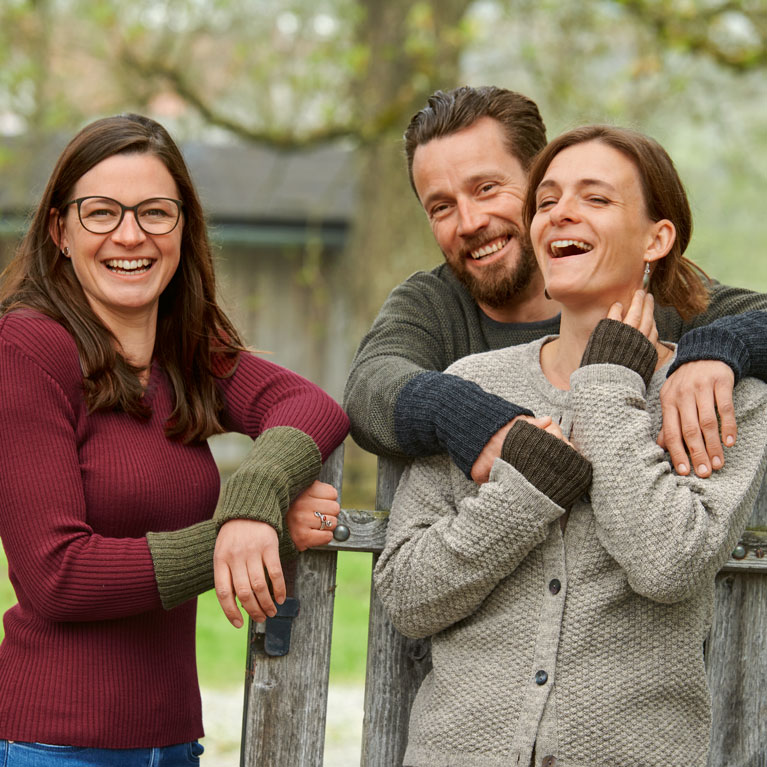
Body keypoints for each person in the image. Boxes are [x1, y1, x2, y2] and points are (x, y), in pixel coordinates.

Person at [373, 125, 767, 767]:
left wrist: (609, 384)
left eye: (596, 198)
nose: (561, 213)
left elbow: (668, 564)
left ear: (657, 238)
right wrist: (523, 495)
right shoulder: (474, 385)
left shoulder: (717, 397)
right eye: (548, 198)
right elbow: (408, 596)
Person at [0, 114, 349, 763]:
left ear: (183, 229)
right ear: (61, 231)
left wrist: (255, 495)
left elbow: (309, 404)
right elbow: (57, 575)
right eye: (101, 212)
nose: (130, 234)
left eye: (155, 212)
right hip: (49, 744)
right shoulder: (27, 349)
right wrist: (237, 537)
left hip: (173, 743)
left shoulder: (184, 356)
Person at [344, 86, 767, 482]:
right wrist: (470, 418)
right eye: (442, 207)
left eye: (487, 188)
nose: (469, 222)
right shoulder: (433, 304)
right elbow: (370, 387)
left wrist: (721, 350)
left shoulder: (658, 295)